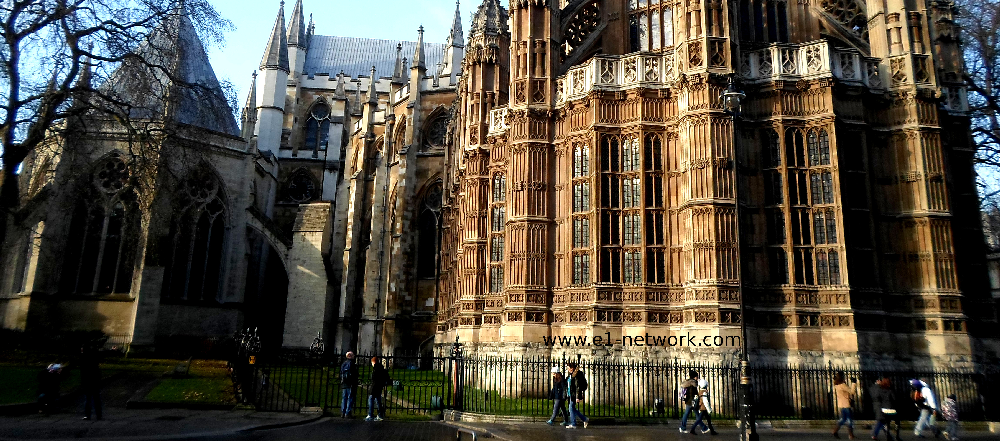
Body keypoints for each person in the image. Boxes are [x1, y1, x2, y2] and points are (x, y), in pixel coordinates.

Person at [871, 377, 901, 441]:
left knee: (887, 422)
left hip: (884, 409)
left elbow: (878, 398)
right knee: (897, 420)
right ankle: (897, 436)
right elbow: (895, 399)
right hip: (891, 409)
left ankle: (887, 435)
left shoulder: (880, 390)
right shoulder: (890, 390)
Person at [80, 346, 102, 420]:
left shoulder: (84, 360)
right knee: (96, 399)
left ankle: (88, 415)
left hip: (88, 382)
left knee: (88, 399)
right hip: (95, 382)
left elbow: (83, 373)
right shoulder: (94, 360)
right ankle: (99, 415)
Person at [832, 372, 856, 439]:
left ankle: (835, 431)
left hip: (841, 405)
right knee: (849, 420)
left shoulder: (836, 385)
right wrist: (854, 383)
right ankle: (851, 435)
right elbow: (852, 392)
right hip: (846, 405)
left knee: (843, 419)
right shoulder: (843, 385)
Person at [565, 362, 589, 429]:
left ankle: (573, 424)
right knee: (572, 409)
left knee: (571, 408)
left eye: (568, 368)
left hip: (574, 395)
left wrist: (577, 397)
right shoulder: (571, 374)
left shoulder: (577, 375)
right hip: (570, 394)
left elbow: (578, 386)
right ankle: (585, 419)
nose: (568, 369)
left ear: (572, 368)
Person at [365, 356, 388, 421]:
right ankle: (380, 415)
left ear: (373, 362)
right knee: (378, 401)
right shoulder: (382, 368)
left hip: (374, 387)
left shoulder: (376, 369)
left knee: (371, 400)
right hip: (379, 387)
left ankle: (370, 414)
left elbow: (374, 379)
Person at [340, 351, 359, 418]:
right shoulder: (352, 364)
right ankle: (348, 413)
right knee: (350, 398)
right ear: (350, 356)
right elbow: (354, 374)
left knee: (344, 398)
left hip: (344, 383)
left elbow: (341, 373)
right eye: (353, 355)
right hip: (351, 383)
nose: (354, 356)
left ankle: (343, 412)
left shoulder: (344, 364)